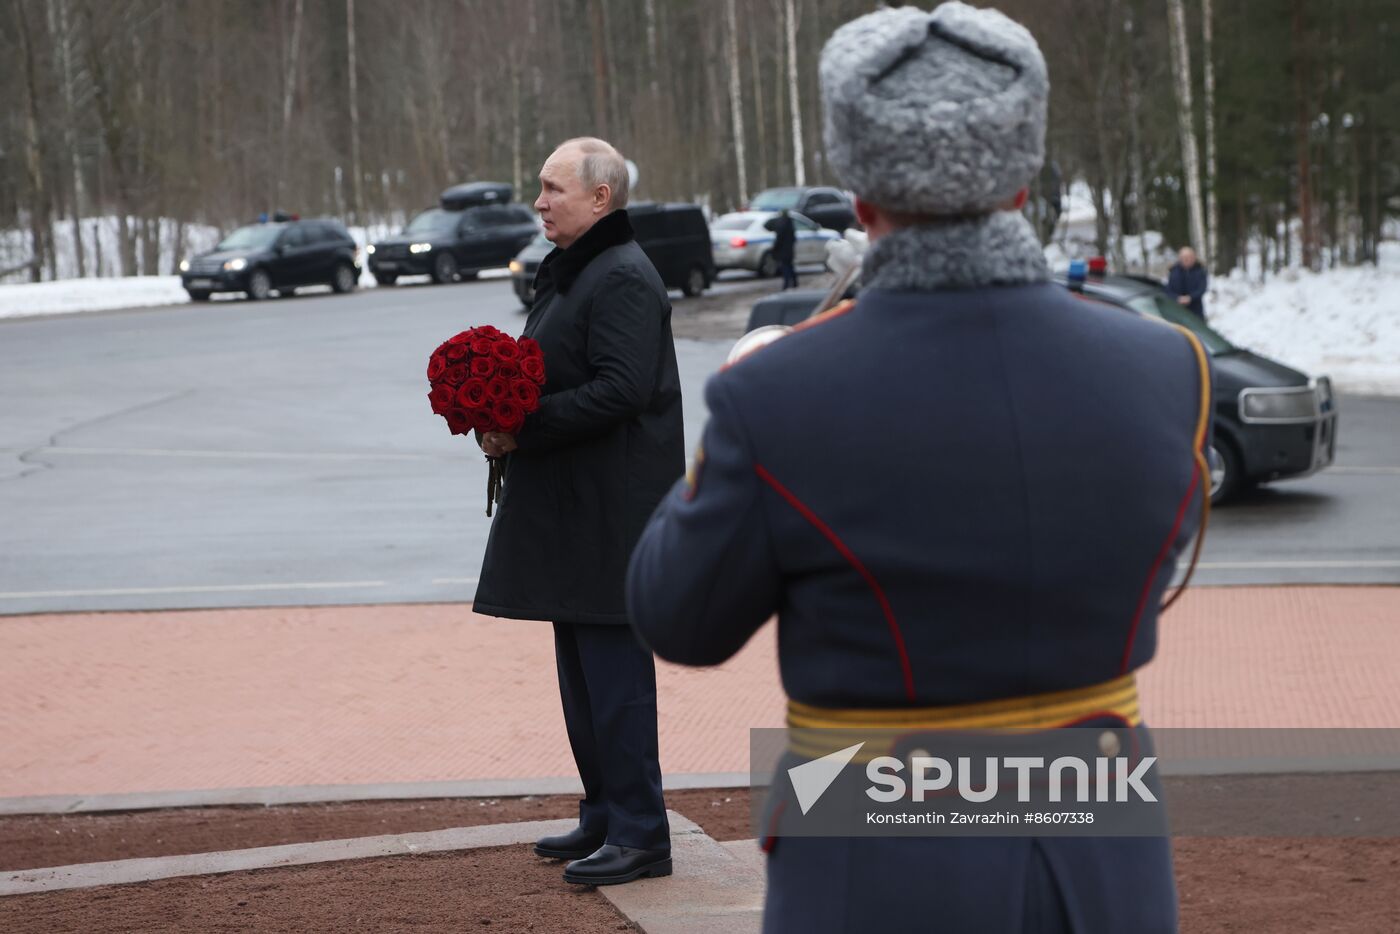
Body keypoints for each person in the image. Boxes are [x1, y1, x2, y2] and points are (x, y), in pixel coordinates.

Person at [626, 4, 1210, 932]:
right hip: (1102, 855)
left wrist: (729, 420)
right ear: (1023, 184)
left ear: (859, 197)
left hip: (873, 859)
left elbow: (681, 620)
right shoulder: (1167, 363)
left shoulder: (778, 394)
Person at [474, 136, 683, 886]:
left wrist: (522, 424)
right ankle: (604, 814)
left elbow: (622, 390)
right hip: (577, 512)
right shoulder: (576, 273)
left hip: (613, 517)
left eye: (554, 188)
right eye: (540, 187)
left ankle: (641, 832)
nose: (539, 201)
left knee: (616, 680)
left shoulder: (621, 276)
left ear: (602, 197)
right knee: (583, 678)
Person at [1167, 246, 1208, 320]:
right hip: (1177, 309)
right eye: (1183, 257)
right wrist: (1177, 298)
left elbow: (1202, 288)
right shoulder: (1174, 271)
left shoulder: (1200, 271)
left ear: (1194, 258)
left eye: (1188, 257)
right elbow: (1168, 290)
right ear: (1180, 258)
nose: (1186, 259)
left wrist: (1190, 298)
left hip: (1196, 309)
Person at [765, 208, 799, 289]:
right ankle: (794, 282)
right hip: (789, 250)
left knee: (786, 267)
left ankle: (787, 284)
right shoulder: (790, 224)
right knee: (789, 266)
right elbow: (793, 239)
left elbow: (779, 239)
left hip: (783, 251)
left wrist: (775, 248)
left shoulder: (781, 225)